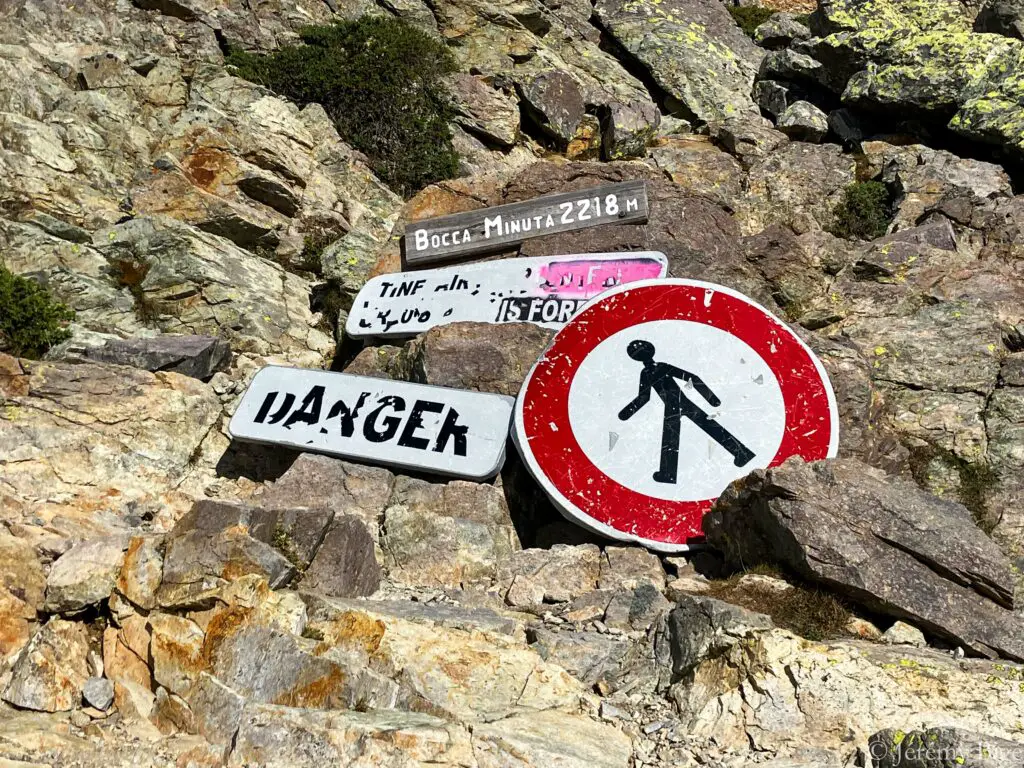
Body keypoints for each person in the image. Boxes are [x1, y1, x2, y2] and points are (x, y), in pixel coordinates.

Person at [618, 339, 755, 483]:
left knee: (673, 438)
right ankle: (742, 453)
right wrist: (626, 413)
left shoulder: (657, 368)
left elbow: (689, 378)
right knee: (704, 428)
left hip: (676, 404)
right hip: (677, 405)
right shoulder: (649, 372)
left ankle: (668, 473)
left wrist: (712, 399)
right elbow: (644, 397)